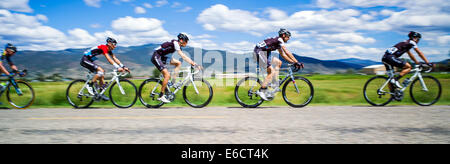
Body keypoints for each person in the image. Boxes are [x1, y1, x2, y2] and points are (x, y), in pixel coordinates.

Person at [253, 28, 304, 100]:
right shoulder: (279, 40)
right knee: (271, 71)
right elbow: (287, 52)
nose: (289, 38)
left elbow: (283, 55)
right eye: (288, 36)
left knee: (279, 62)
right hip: (259, 51)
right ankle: (261, 90)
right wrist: (296, 62)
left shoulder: (278, 43)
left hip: (266, 52)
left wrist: (293, 62)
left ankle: (274, 83)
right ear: (283, 35)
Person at [151, 33, 200, 103]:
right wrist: (193, 63)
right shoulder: (176, 43)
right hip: (156, 56)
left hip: (161, 57)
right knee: (167, 75)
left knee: (178, 63)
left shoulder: (178, 46)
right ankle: (161, 96)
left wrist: (192, 62)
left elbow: (184, 56)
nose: (187, 43)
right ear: (181, 40)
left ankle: (172, 83)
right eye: (186, 41)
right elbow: (183, 56)